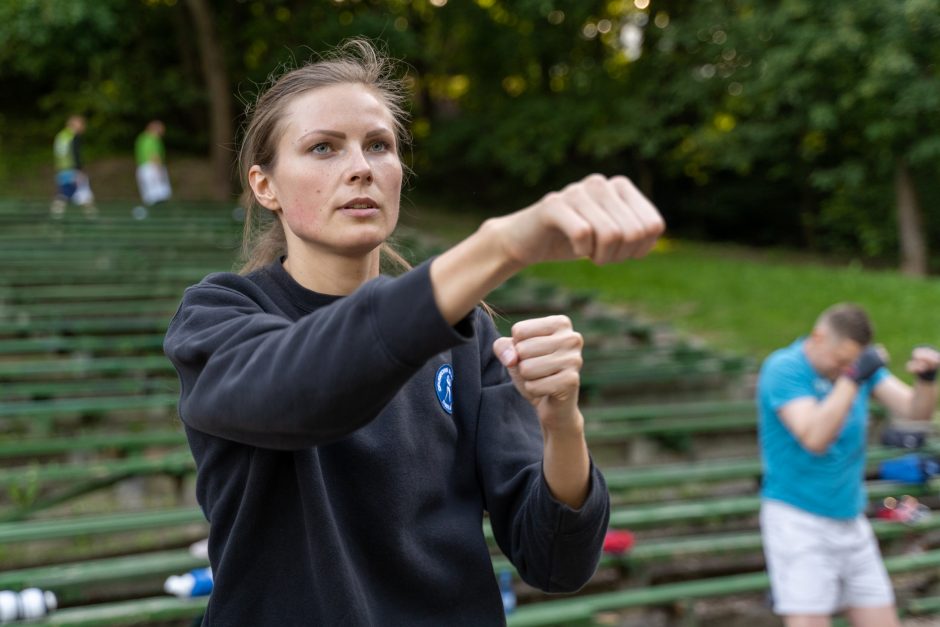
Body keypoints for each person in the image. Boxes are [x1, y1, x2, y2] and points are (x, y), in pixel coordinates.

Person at [163, 38, 664, 626]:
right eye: (323, 147)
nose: (360, 167)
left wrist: (562, 423)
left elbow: (556, 559)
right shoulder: (219, 315)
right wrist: (502, 245)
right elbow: (303, 392)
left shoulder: (467, 333)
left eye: (379, 146)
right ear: (264, 185)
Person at [757, 303, 940, 627]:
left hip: (850, 519)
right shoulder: (784, 368)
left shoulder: (854, 370)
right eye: (840, 360)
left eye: (851, 362)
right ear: (818, 337)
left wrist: (927, 380)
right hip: (798, 520)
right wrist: (853, 378)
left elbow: (915, 414)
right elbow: (815, 437)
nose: (843, 367)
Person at [51, 114, 97, 218]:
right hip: (72, 169)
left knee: (67, 192)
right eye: (81, 124)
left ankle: (56, 216)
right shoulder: (73, 136)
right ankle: (91, 218)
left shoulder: (61, 135)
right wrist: (79, 169)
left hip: (62, 169)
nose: (83, 127)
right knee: (75, 192)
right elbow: (75, 154)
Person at [135, 120, 172, 210]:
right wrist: (158, 169)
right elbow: (153, 155)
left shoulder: (142, 138)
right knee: (158, 195)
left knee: (149, 195)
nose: (163, 132)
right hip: (152, 167)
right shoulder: (152, 138)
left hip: (143, 167)